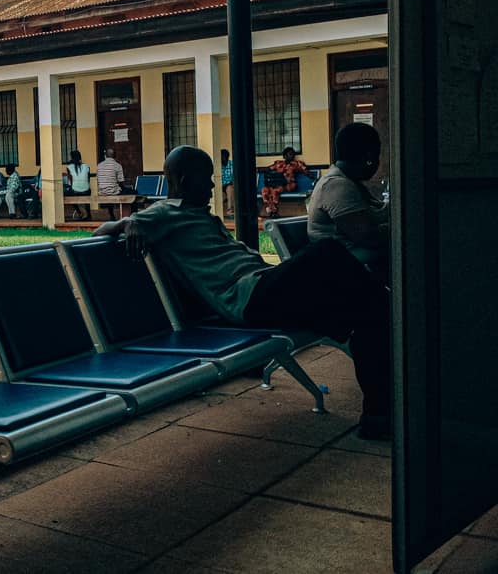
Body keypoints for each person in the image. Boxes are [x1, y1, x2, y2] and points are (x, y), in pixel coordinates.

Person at [93, 145, 391, 440]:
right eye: (206, 177)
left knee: (367, 311)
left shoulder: (202, 216)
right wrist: (127, 221)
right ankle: (381, 399)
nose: (212, 185)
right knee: (329, 253)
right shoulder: (163, 213)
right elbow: (99, 234)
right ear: (183, 181)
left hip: (263, 287)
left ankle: (378, 416)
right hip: (248, 299)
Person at [308, 123, 389, 283]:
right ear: (369, 157)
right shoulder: (337, 186)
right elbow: (367, 237)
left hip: (354, 261)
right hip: (344, 266)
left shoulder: (349, 182)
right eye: (376, 155)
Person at [261, 146, 310, 218]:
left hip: (289, 185)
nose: (292, 156)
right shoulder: (278, 163)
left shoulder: (296, 164)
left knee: (275, 191)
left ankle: (273, 212)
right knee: (264, 190)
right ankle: (272, 210)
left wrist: (311, 176)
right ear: (285, 156)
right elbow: (268, 168)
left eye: (293, 154)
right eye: (290, 154)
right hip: (277, 183)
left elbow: (305, 171)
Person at [95, 148, 133, 220]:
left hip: (102, 191)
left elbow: (98, 179)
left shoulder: (99, 165)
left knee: (110, 190)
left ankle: (112, 215)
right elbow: (121, 182)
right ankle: (128, 216)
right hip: (113, 191)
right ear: (115, 156)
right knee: (131, 193)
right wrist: (124, 188)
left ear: (105, 155)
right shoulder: (117, 166)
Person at [64, 150, 92, 221]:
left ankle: (79, 213)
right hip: (86, 191)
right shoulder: (86, 166)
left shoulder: (69, 167)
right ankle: (88, 214)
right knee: (88, 190)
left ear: (72, 158)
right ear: (80, 157)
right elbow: (88, 180)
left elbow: (71, 182)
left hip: (75, 191)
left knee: (66, 194)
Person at [220, 149, 235, 219]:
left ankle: (230, 211)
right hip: (219, 186)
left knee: (230, 189)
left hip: (230, 185)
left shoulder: (232, 164)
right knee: (221, 196)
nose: (223, 158)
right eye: (221, 157)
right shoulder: (217, 165)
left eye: (224, 157)